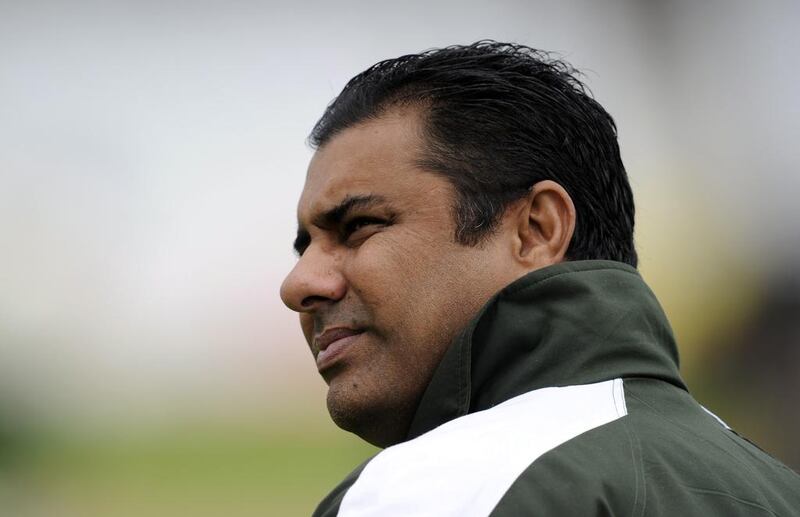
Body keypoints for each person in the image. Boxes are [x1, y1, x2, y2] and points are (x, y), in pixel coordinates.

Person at [279, 41, 800, 516]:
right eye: (306, 247)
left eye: (359, 226)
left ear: (536, 230)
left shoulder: (432, 490)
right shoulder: (776, 489)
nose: (298, 285)